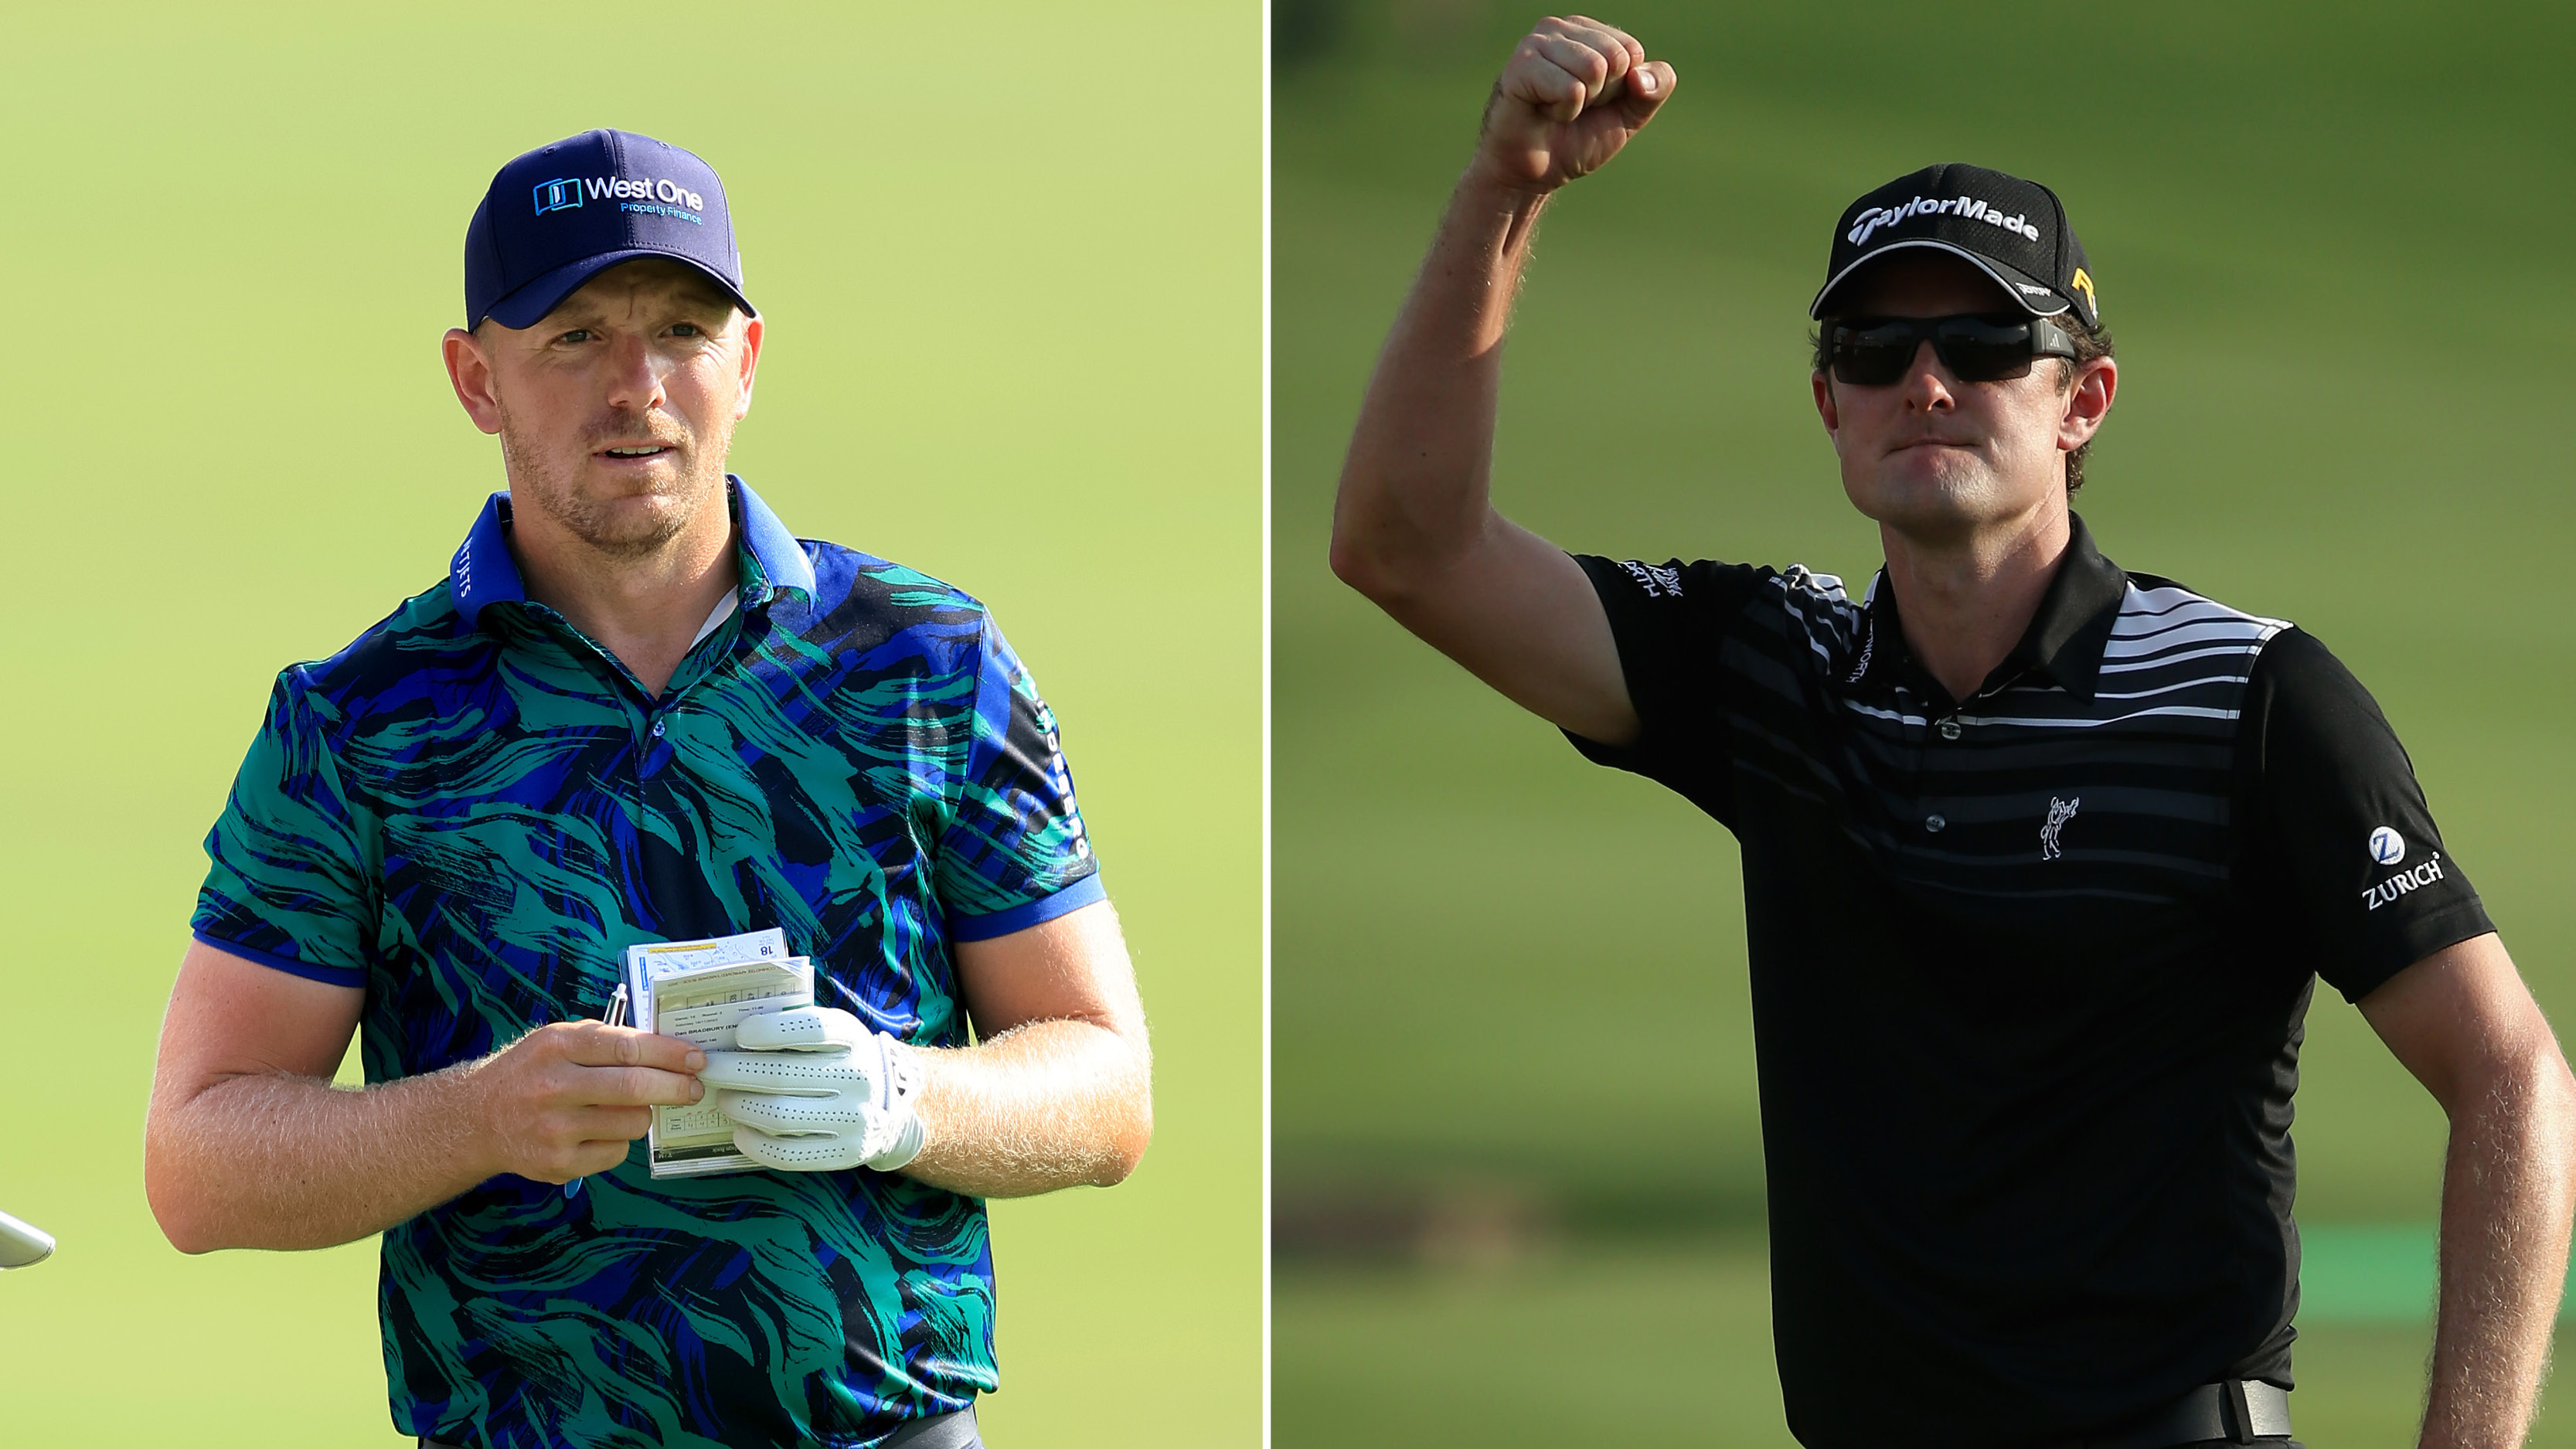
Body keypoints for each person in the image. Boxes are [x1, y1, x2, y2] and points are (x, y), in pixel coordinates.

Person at [1329, 17, 2576, 1448]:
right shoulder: (1773, 666)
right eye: (1874, 346)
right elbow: (1404, 547)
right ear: (1827, 405)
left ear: (2079, 401)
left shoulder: (2248, 697)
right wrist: (1506, 187)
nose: (1925, 379)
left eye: (1985, 341)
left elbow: (2511, 1078)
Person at [144, 128, 1151, 1449]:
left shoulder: (926, 661)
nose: (639, 386)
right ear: (475, 378)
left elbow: (1105, 1086)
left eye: (682, 329)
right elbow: (199, 1165)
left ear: (745, 360)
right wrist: (477, 1116)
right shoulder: (357, 722)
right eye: (573, 336)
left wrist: (900, 1098)